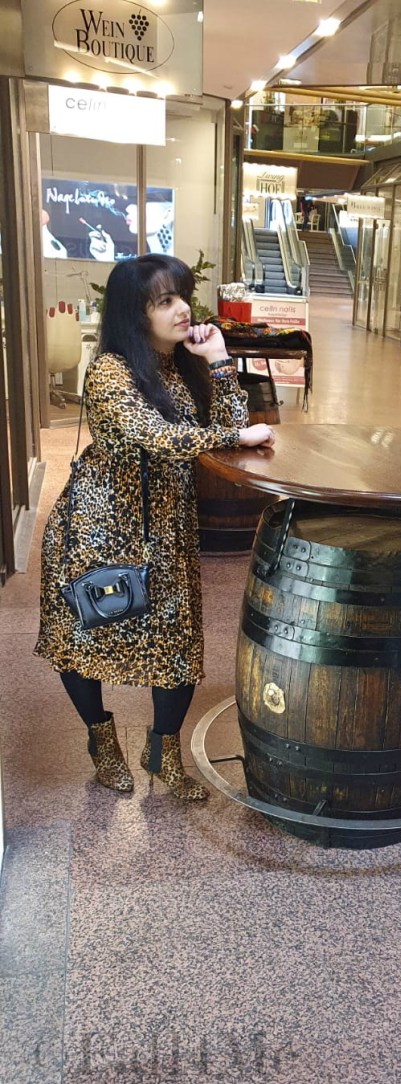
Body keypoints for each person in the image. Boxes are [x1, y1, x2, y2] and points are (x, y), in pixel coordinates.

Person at [35, 254, 275, 800]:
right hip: (98, 528)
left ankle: (164, 753)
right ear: (132, 312)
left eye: (182, 296)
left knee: (177, 646)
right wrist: (233, 437)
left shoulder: (179, 364)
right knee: (84, 639)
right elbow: (159, 436)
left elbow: (235, 428)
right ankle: (102, 743)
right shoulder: (109, 371)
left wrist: (217, 359)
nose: (182, 309)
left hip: (167, 528)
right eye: (164, 300)